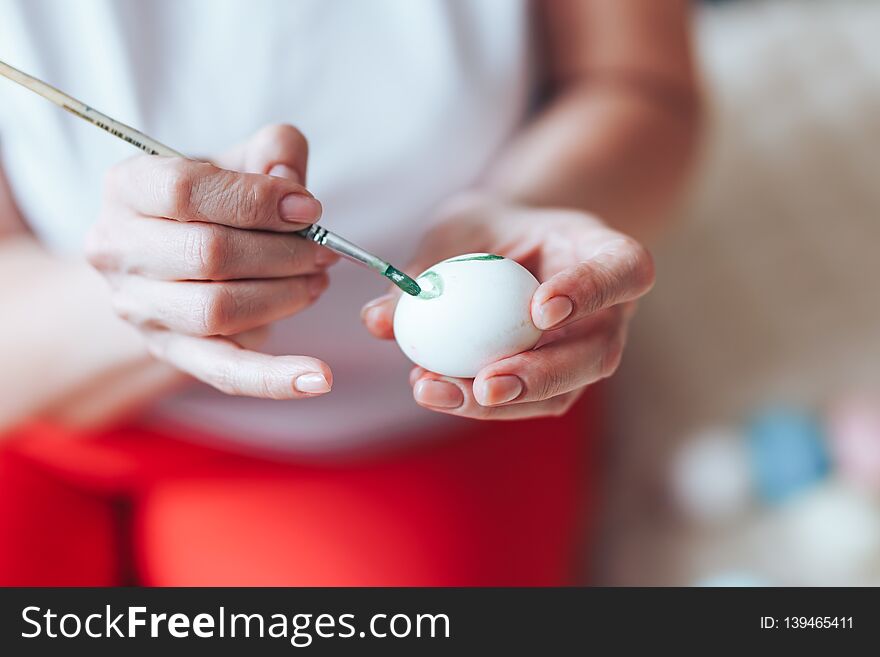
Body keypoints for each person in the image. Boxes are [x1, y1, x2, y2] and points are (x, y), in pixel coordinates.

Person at [0, 0, 700, 585]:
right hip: (35, 402)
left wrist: (526, 213)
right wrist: (134, 301)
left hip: (396, 429)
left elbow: (635, 83)